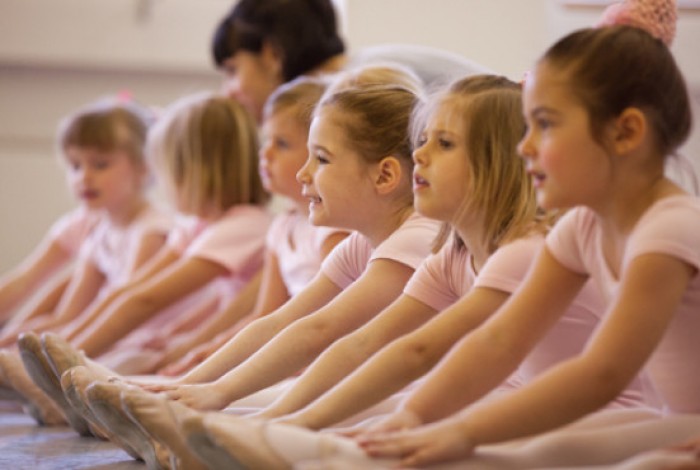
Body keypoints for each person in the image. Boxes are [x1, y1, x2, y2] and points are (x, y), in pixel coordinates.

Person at [345, 25, 698, 468]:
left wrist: (461, 430)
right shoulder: (581, 229)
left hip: (680, 424)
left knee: (570, 455)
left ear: (624, 133)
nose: (524, 147)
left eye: (544, 126)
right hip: (673, 420)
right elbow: (499, 340)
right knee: (536, 450)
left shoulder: (668, 230)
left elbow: (603, 373)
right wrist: (414, 417)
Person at [58, 76, 442, 469]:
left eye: (321, 159)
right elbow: (281, 320)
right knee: (231, 405)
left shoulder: (416, 237)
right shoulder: (362, 243)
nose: (303, 173)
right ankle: (165, 417)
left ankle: (208, 438)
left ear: (384, 176)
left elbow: (324, 331)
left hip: (422, 392)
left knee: (322, 431)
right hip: (387, 384)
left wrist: (246, 411)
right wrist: (194, 385)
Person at [3, 92, 272, 434]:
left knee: (126, 366)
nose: (161, 187)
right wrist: (49, 349)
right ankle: (63, 395)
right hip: (207, 341)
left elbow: (148, 300)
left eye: (164, 171)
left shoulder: (244, 225)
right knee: (125, 363)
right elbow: (132, 290)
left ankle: (69, 400)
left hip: (231, 350)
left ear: (195, 170)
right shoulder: (197, 227)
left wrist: (63, 356)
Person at [149, 76, 349, 376]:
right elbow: (264, 314)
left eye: (281, 143)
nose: (265, 154)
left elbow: (334, 319)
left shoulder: (334, 230)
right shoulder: (281, 227)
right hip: (289, 355)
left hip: (319, 363)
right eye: (265, 140)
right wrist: (212, 350)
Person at [0, 96, 172, 423]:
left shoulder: (152, 230)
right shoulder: (96, 226)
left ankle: (56, 398)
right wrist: (17, 338)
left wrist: (34, 347)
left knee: (117, 363)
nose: (84, 177)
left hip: (141, 339)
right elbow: (69, 310)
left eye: (100, 164)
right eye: (75, 165)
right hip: (103, 333)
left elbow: (126, 310)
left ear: (143, 166)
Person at [212, 0, 489, 123]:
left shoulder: (355, 89)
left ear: (272, 54)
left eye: (233, 70)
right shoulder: (358, 71)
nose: (229, 91)